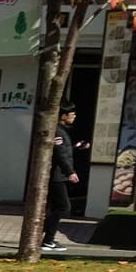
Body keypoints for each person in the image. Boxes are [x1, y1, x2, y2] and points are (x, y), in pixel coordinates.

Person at [42, 104, 83, 254]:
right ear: (63, 115)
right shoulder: (58, 131)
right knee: (64, 207)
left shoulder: (63, 131)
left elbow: (65, 151)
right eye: (72, 114)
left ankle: (46, 236)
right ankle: (47, 239)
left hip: (60, 175)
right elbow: (60, 154)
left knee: (56, 207)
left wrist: (76, 147)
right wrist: (70, 172)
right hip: (57, 176)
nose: (74, 116)